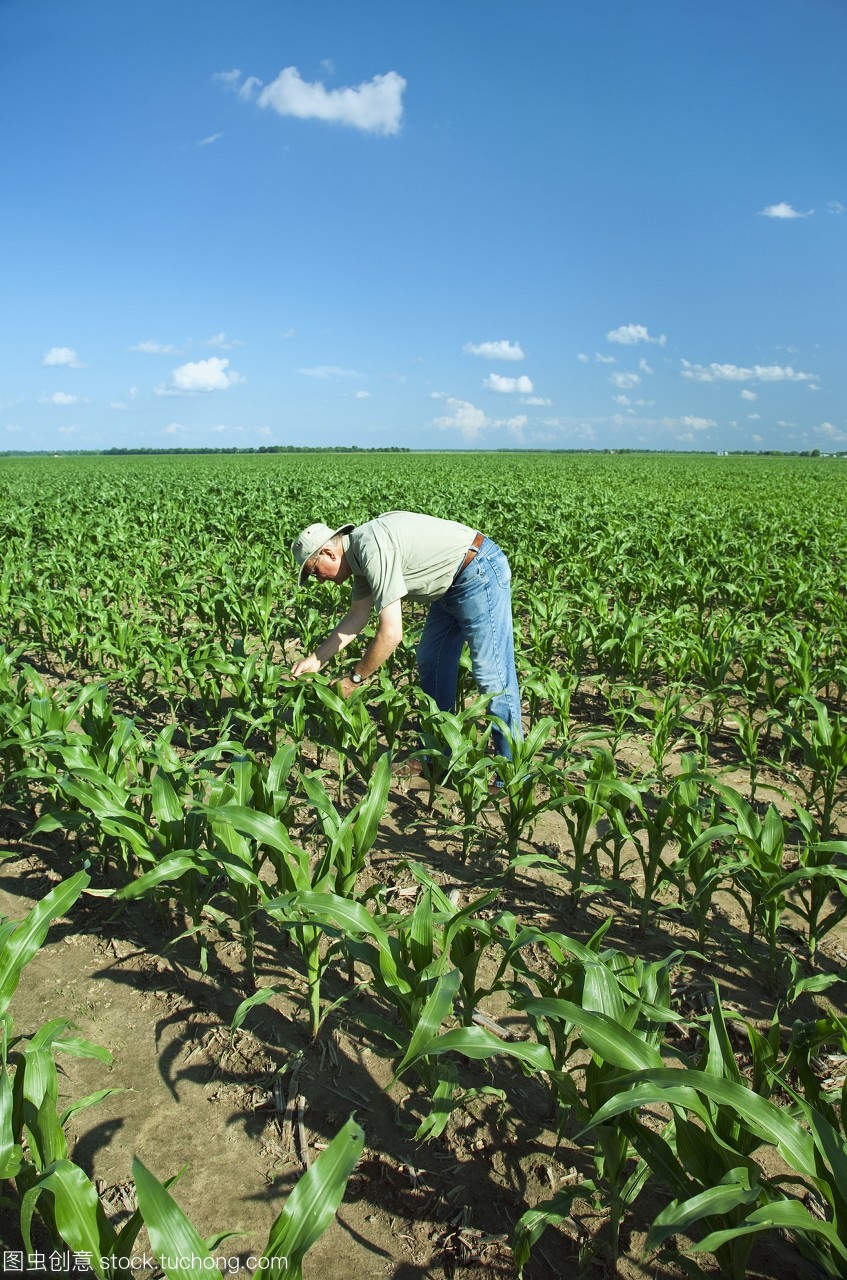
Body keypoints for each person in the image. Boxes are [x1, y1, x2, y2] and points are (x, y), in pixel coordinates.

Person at [290, 511, 523, 759]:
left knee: (492, 673)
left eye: (315, 571)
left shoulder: (372, 548)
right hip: (447, 586)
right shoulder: (359, 560)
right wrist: (316, 659)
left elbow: (391, 634)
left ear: (328, 553)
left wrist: (353, 680)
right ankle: (438, 755)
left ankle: (510, 769)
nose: (319, 580)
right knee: (432, 661)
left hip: (477, 571)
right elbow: (357, 616)